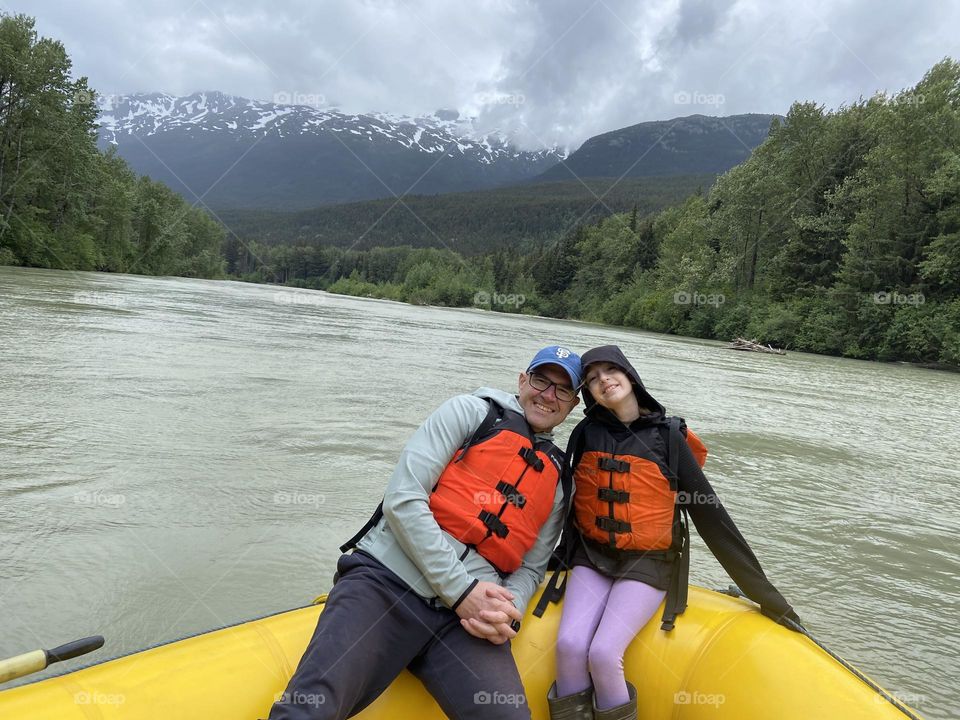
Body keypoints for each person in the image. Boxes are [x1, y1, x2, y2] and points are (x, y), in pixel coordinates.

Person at [267, 346, 583, 720]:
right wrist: (460, 590)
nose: (548, 395)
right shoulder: (469, 412)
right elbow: (403, 499)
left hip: (465, 623)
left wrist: (505, 612)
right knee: (310, 708)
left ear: (573, 403)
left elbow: (531, 568)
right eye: (541, 380)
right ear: (522, 381)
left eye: (563, 389)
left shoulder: (559, 480)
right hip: (387, 585)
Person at [546, 345, 800, 720]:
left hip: (648, 563)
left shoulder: (668, 437)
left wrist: (767, 596)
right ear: (589, 393)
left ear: (629, 375)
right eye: (593, 378)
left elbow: (712, 518)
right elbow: (573, 507)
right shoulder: (586, 433)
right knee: (568, 646)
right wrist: (550, 562)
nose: (604, 380)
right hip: (592, 556)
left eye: (610, 370)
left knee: (603, 654)